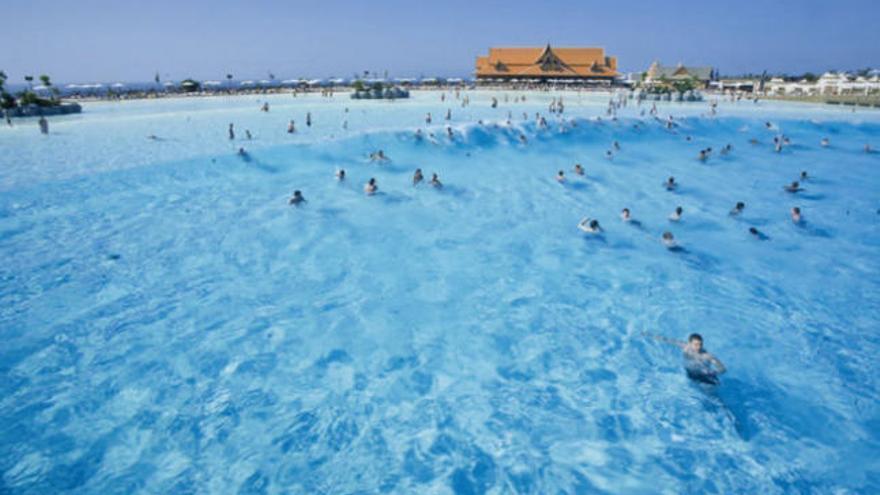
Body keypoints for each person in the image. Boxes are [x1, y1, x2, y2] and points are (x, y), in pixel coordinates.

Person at [651, 333, 726, 385]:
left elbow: (722, 369)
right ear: (689, 343)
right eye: (696, 344)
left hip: (703, 374)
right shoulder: (685, 347)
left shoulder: (706, 356)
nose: (698, 347)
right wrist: (651, 336)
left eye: (700, 344)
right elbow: (669, 340)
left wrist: (713, 372)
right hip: (690, 372)